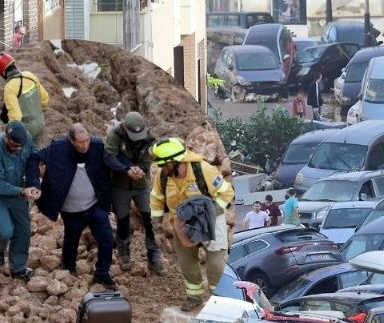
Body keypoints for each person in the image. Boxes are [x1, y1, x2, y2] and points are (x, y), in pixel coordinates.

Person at [28, 123, 137, 288]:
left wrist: (129, 167)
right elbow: (34, 159)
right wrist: (35, 184)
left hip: (95, 205)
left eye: (87, 140)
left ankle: (102, 273)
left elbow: (115, 156)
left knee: (106, 238)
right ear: (71, 141)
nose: (85, 145)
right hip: (71, 210)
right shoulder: (57, 148)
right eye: (80, 142)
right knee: (71, 239)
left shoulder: (97, 145)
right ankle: (68, 268)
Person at [150, 137, 235, 311]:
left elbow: (227, 194)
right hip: (181, 224)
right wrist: (157, 225)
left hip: (211, 221)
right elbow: (157, 199)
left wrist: (211, 214)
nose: (162, 169)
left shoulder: (204, 170)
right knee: (187, 262)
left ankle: (219, 299)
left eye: (164, 165)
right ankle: (194, 296)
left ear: (174, 161)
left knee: (216, 264)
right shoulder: (164, 176)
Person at [104, 111, 165, 275]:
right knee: (122, 219)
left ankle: (154, 256)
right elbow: (109, 157)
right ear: (124, 127)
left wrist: (141, 169)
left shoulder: (147, 136)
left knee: (149, 218)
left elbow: (148, 158)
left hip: (141, 184)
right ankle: (124, 253)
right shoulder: (114, 135)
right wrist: (126, 170)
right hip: (120, 184)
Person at [0, 121, 41, 280]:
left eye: (21, 145)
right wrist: (23, 191)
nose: (18, 149)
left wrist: (34, 184)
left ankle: (18, 268)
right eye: (14, 145)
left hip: (18, 193)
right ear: (6, 137)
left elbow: (34, 155)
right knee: (4, 230)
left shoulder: (25, 138)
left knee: (23, 230)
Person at [0, 52, 50, 145]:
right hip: (40, 123)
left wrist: (10, 134)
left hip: (26, 129)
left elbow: (15, 117)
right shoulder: (29, 75)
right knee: (37, 155)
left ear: (3, 72)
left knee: (20, 156)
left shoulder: (10, 87)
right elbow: (45, 99)